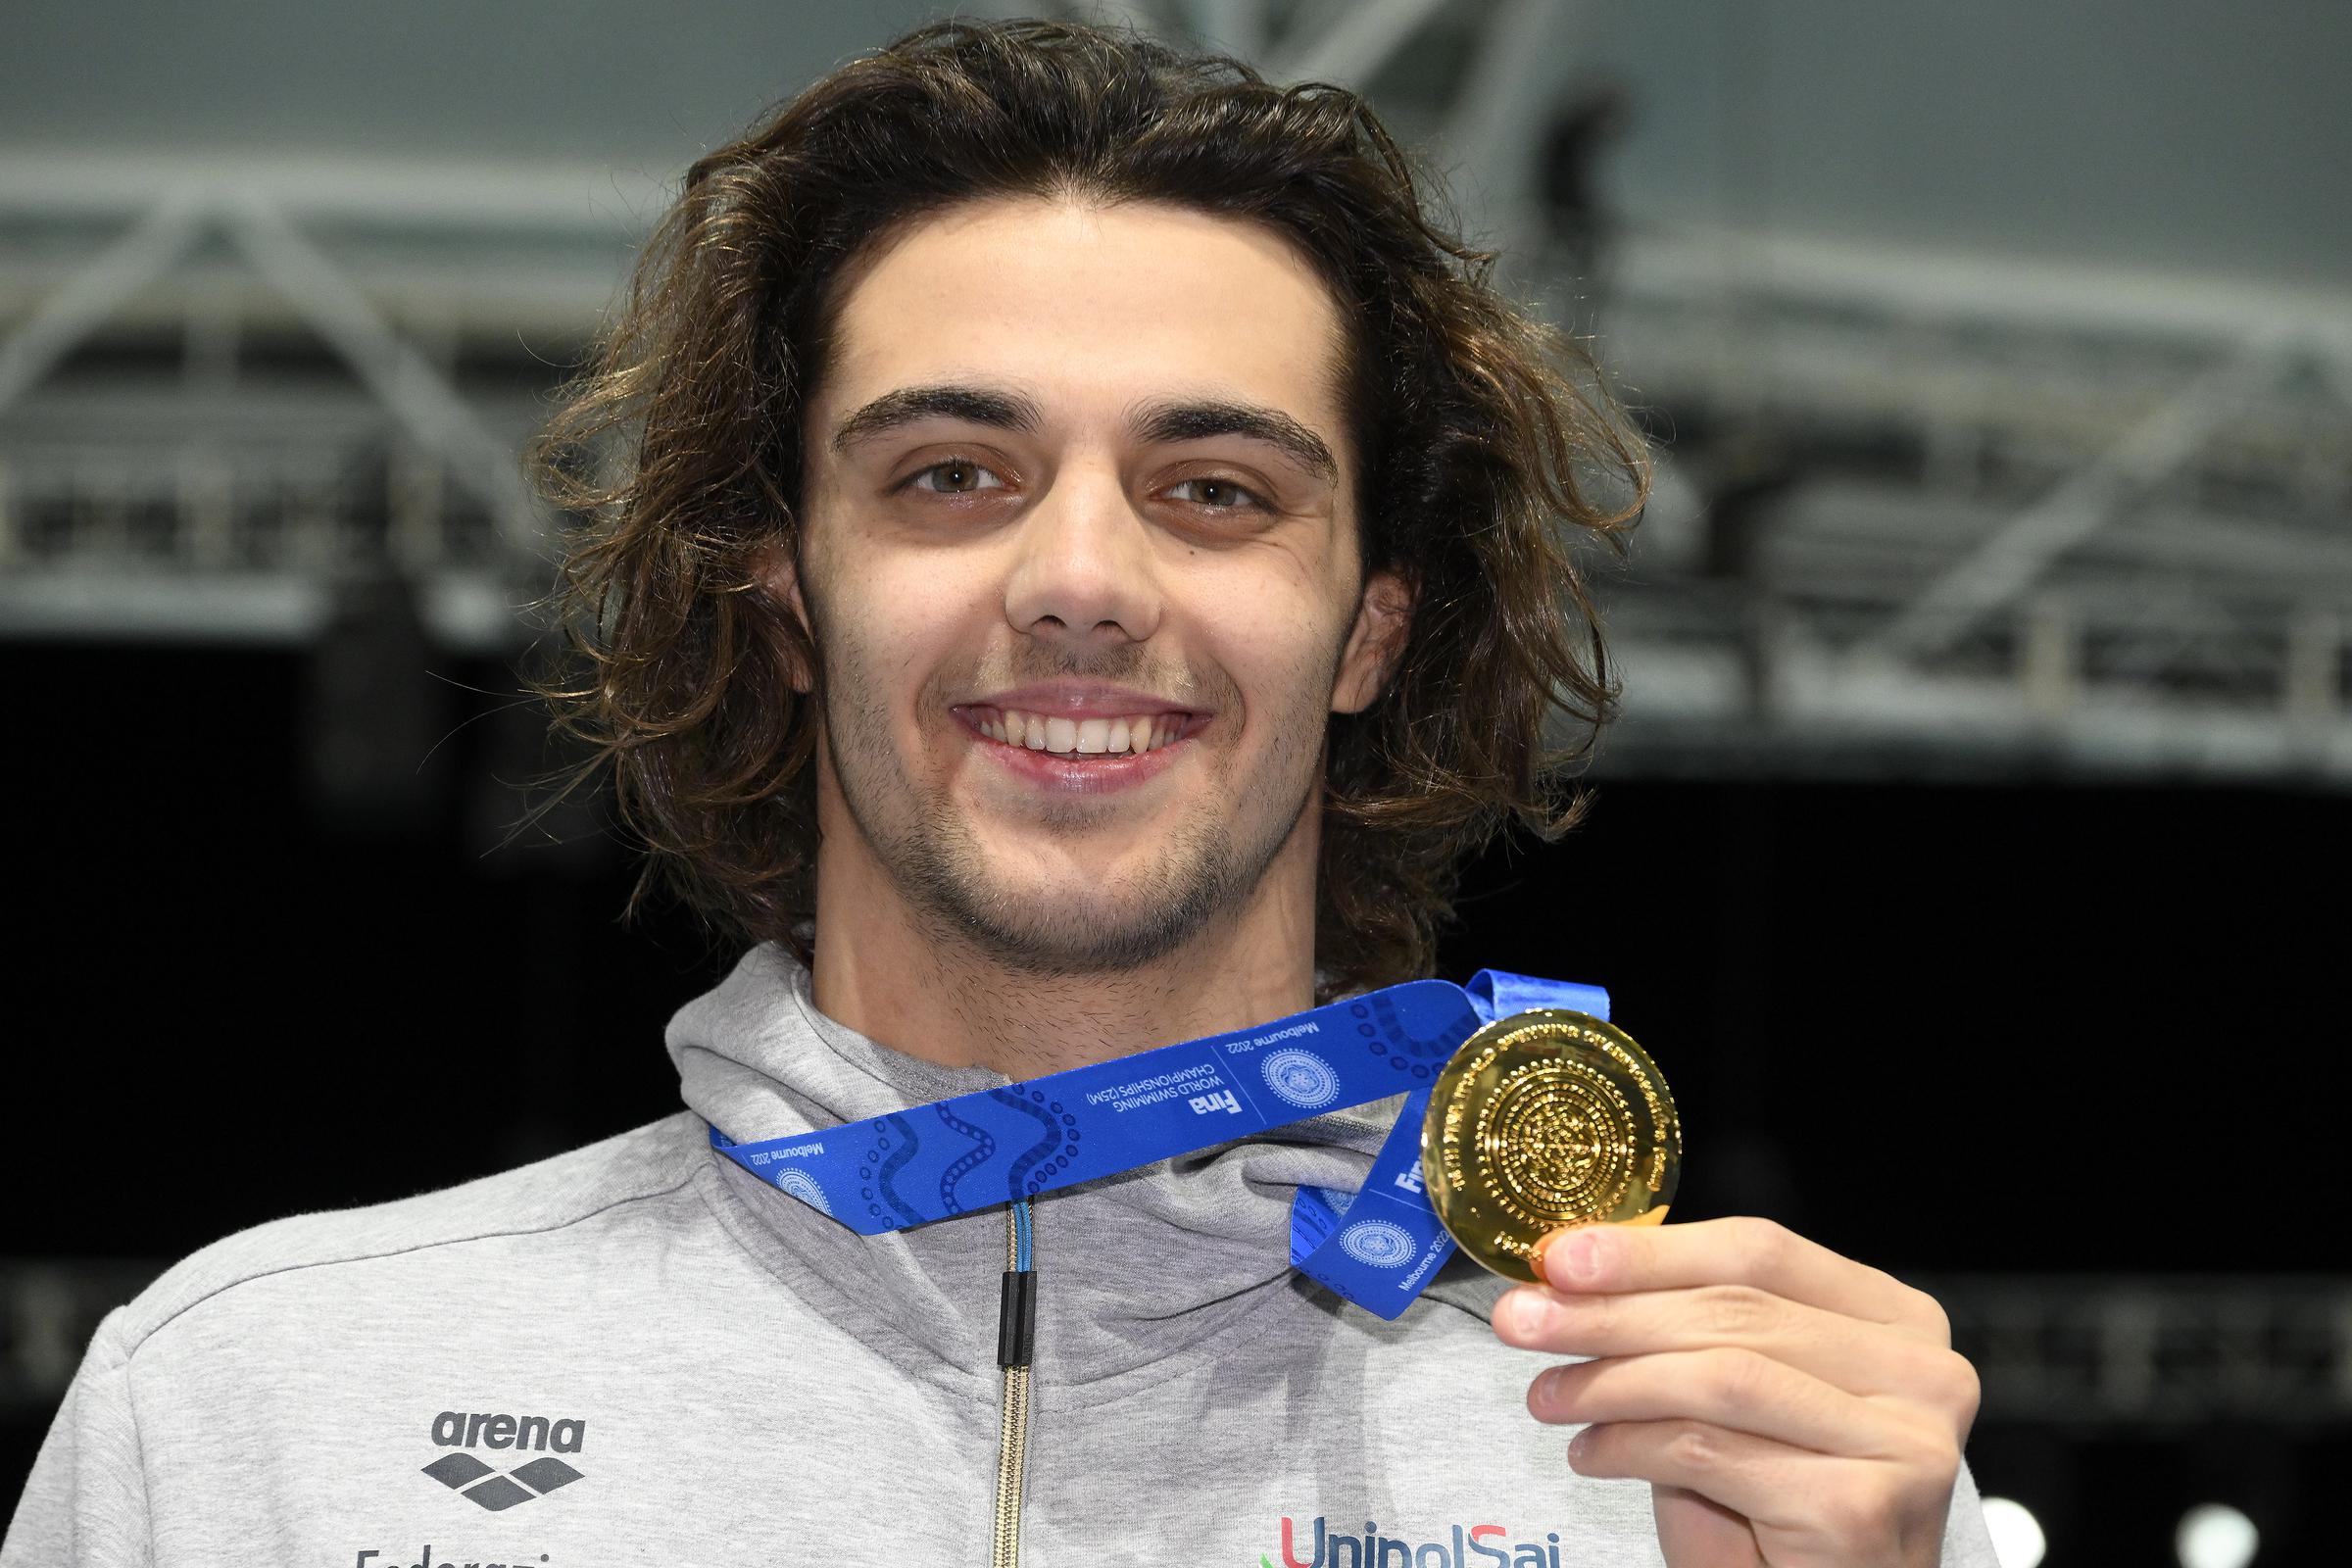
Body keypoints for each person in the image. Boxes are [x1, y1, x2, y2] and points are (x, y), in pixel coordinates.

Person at [5, 20, 1993, 1566]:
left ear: (1373, 628)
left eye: (1216, 489)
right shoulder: (264, 1406)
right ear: (787, 590)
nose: (1079, 578)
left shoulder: (1729, 1461)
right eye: (951, 472)